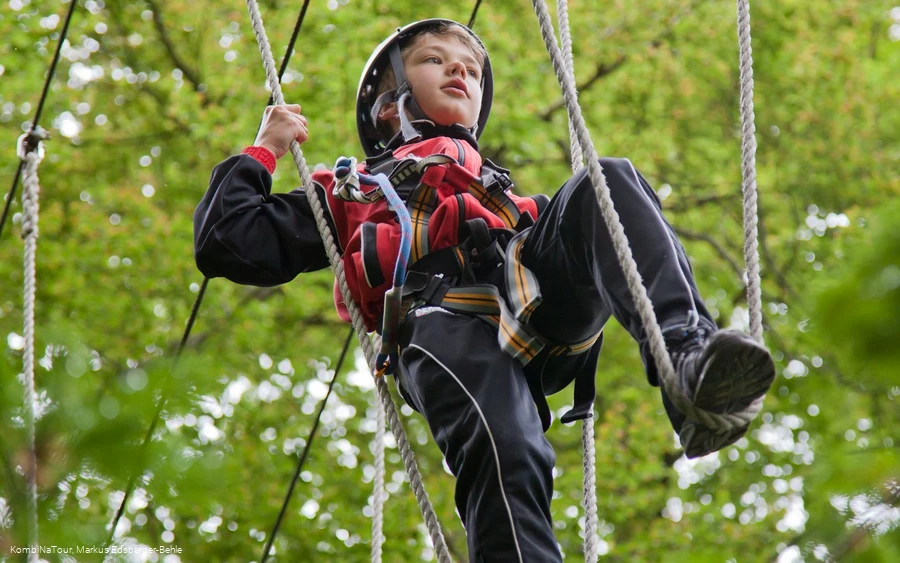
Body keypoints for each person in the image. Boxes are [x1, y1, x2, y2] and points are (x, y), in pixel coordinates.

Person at [194, 19, 775, 562]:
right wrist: (264, 148)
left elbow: (594, 234)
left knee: (608, 181)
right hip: (444, 319)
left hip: (534, 299)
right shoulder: (352, 192)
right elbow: (227, 240)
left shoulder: (511, 204)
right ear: (387, 106)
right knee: (510, 451)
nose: (460, 72)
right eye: (434, 60)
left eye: (469, 68)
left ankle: (687, 363)